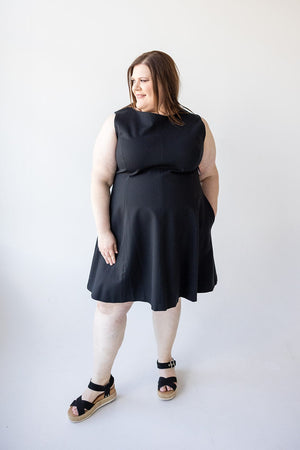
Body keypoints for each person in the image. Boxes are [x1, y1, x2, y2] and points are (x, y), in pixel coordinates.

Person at [67, 50, 219, 422]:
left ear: (165, 80)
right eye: (132, 80)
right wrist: (103, 231)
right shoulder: (119, 122)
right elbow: (100, 178)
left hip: (176, 234)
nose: (136, 86)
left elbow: (209, 173)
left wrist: (206, 219)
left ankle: (165, 362)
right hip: (124, 233)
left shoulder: (195, 125)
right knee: (109, 306)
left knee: (165, 300)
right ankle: (101, 383)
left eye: (144, 79)